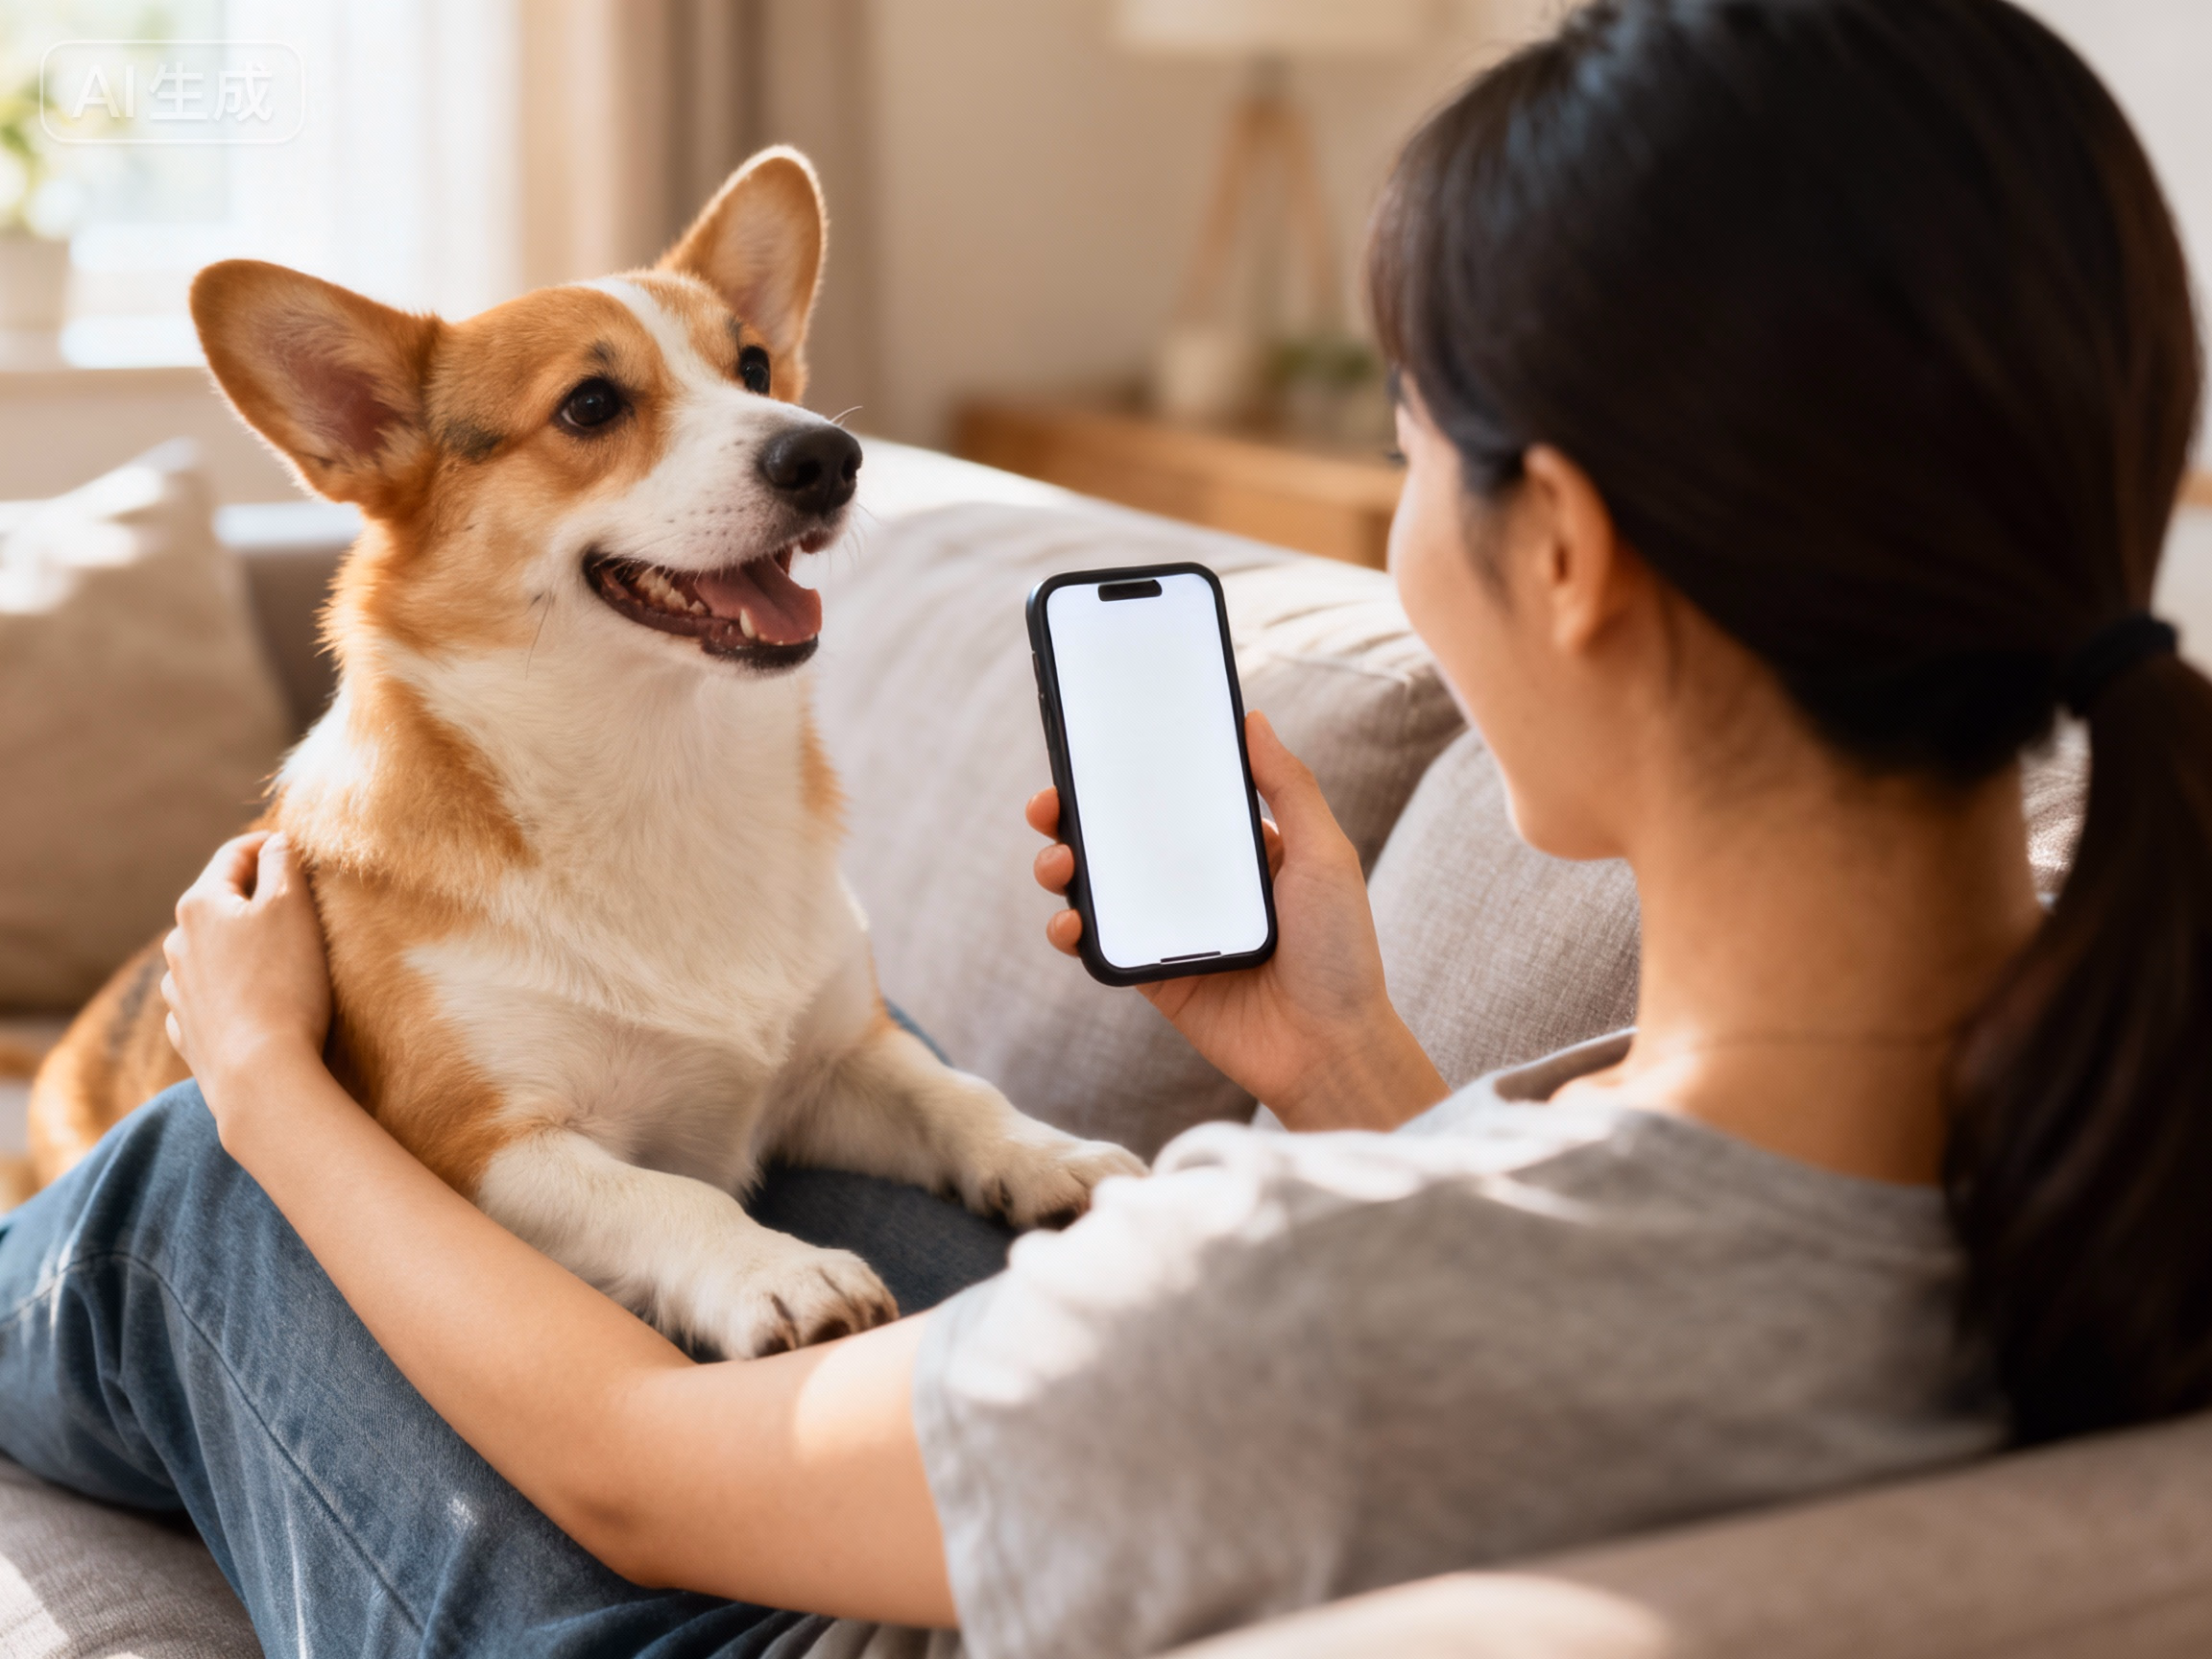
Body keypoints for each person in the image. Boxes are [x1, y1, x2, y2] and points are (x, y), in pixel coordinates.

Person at [5, 1, 2209, 1655]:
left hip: (711, 1600)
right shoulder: (2100, 1157)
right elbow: (1555, 1277)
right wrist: (1342, 1065)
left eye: (1412, 444)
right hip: (1164, 1429)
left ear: (1574, 558)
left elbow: (637, 1480)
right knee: (925, 1200)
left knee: (184, 1180)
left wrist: (282, 1081)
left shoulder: (1289, 1308)